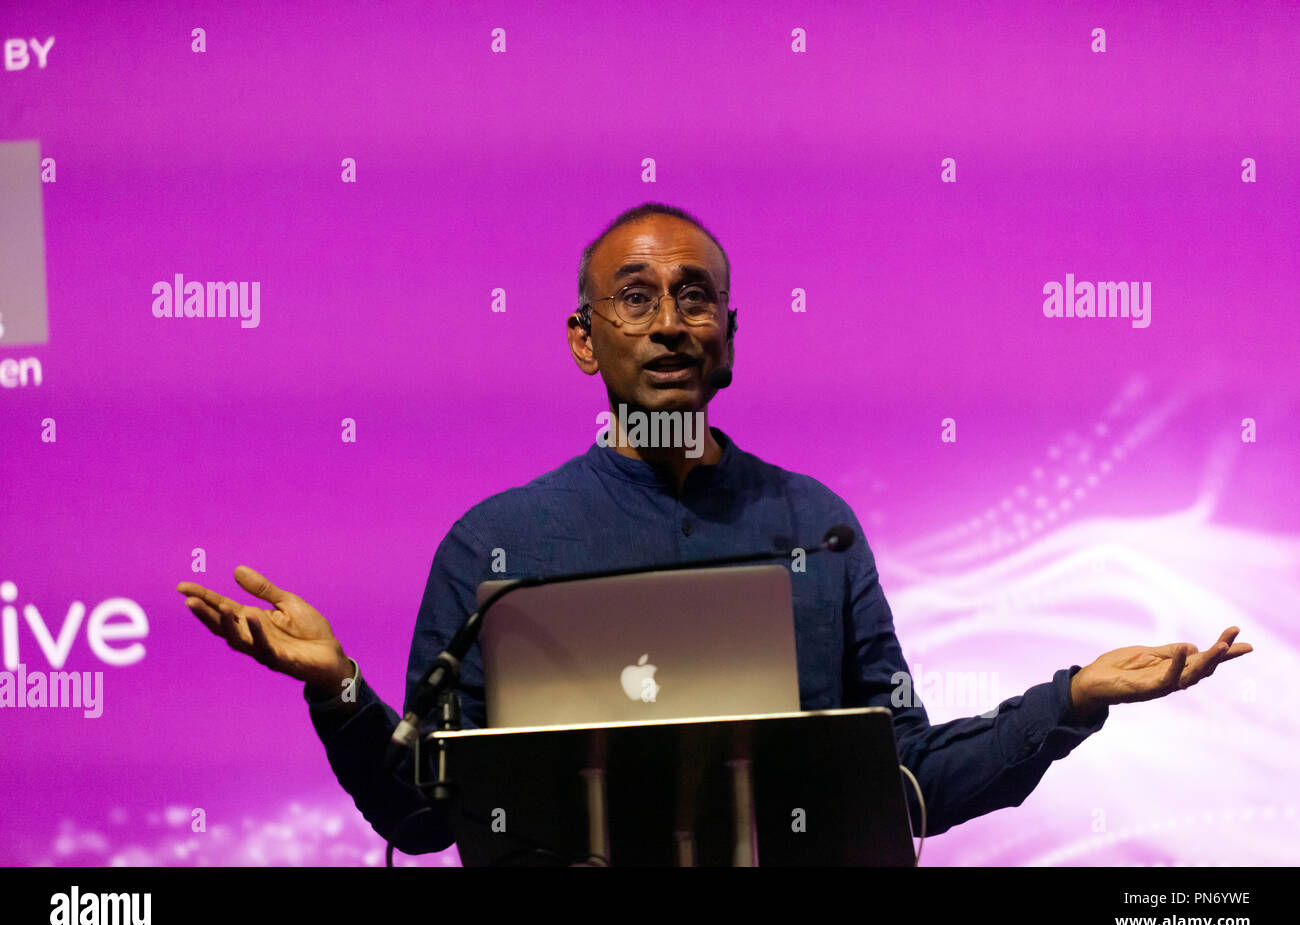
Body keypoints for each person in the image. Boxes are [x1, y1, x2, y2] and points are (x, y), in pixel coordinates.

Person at [176, 203, 1252, 860]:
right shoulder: (495, 545)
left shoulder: (815, 528)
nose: (669, 323)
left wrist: (1071, 699)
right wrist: (338, 688)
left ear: (728, 341)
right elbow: (424, 817)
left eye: (695, 299)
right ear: (583, 341)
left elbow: (905, 780)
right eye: (634, 298)